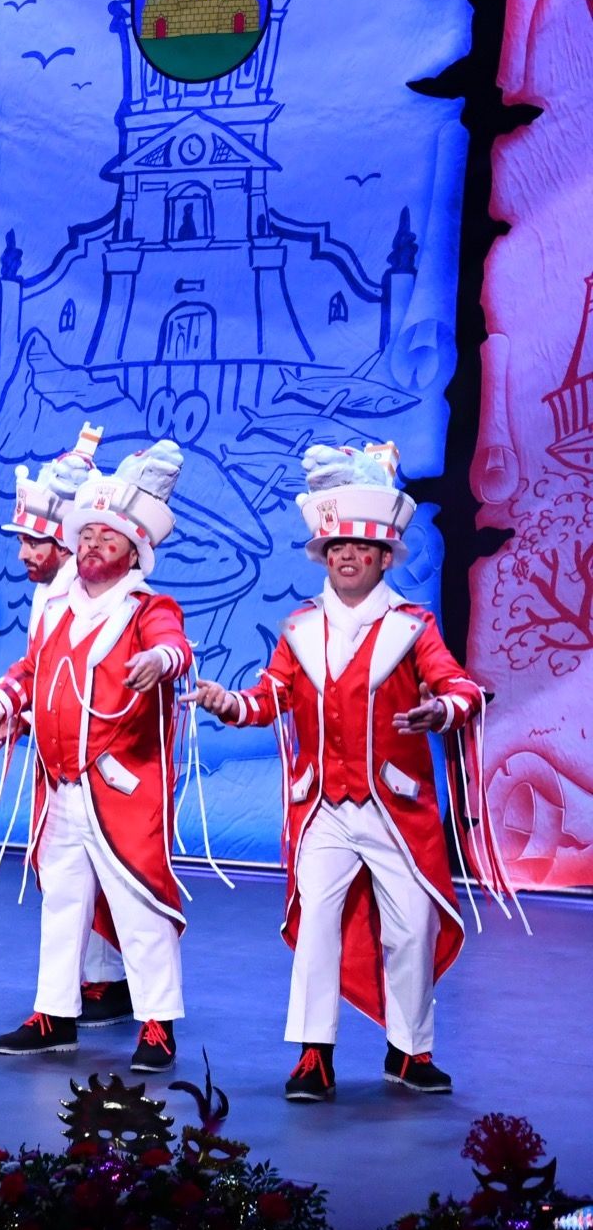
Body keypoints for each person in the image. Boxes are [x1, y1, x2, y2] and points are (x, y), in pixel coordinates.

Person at [187, 444, 510, 1099]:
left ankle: (409, 1050)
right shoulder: (300, 628)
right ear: (322, 554)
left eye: (359, 549)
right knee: (316, 927)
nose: (346, 556)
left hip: (396, 807)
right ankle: (314, 1054)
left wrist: (441, 708)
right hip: (323, 808)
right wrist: (228, 702)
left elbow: (463, 689)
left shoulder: (412, 627)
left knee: (410, 926)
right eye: (335, 546)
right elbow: (268, 699)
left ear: (384, 556)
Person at [0, 442, 193, 1072]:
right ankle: (54, 1012)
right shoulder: (59, 611)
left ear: (133, 550)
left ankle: (157, 1024)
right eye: (88, 533)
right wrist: (4, 704)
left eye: (109, 536)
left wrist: (162, 661)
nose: (95, 544)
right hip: (60, 786)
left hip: (121, 787)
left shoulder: (148, 608)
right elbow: (35, 671)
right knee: (62, 901)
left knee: (139, 903)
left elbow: (171, 646)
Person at [0, 427, 133, 1027]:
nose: (23, 553)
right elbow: (40, 674)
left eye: (33, 542)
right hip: (60, 760)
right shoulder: (48, 598)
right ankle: (80, 988)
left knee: (120, 875)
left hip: (109, 761)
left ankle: (117, 981)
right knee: (67, 876)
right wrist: (13, 709)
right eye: (22, 540)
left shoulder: (111, 599)